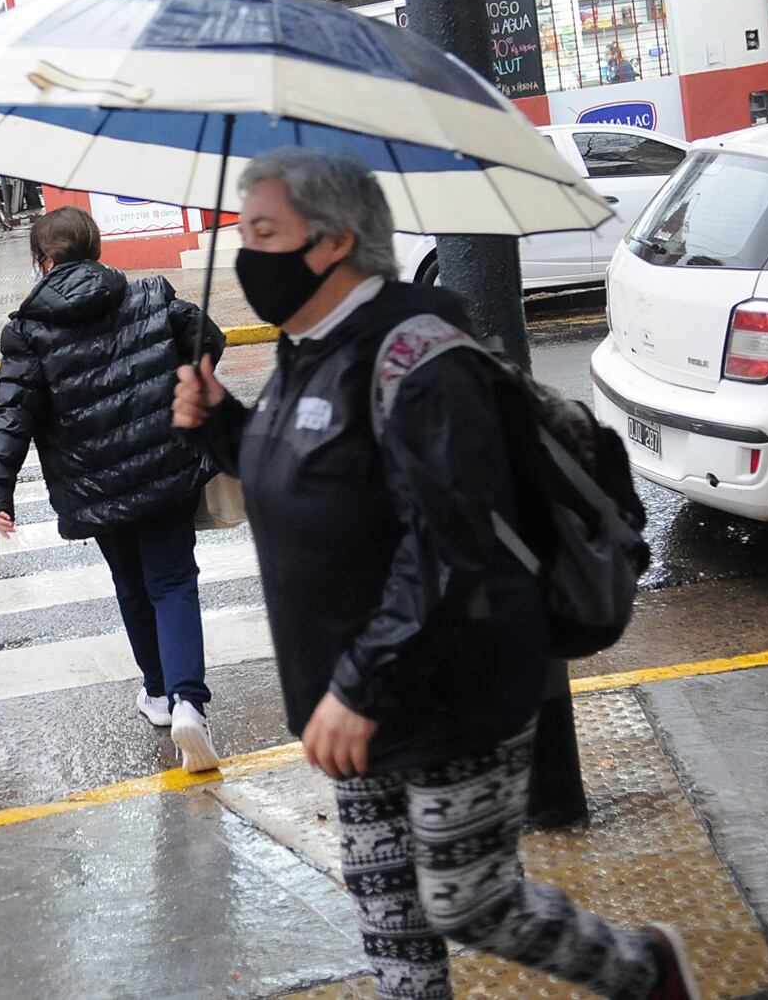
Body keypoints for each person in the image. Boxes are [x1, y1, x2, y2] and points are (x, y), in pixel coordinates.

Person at [172, 149, 698, 1000]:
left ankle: (645, 970)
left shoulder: (421, 358)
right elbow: (310, 477)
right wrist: (221, 424)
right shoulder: (308, 345)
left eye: (263, 230)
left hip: (453, 684)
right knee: (388, 906)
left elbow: (453, 546)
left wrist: (364, 686)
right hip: (355, 687)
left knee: (466, 898)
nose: (245, 249)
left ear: (335, 240)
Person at [0, 207, 228, 771]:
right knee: (172, 581)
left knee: (131, 583)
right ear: (95, 248)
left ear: (41, 262)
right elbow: (207, 342)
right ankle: (191, 702)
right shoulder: (149, 294)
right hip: (166, 466)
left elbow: (11, 417)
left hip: (93, 484)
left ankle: (159, 693)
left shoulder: (27, 331)